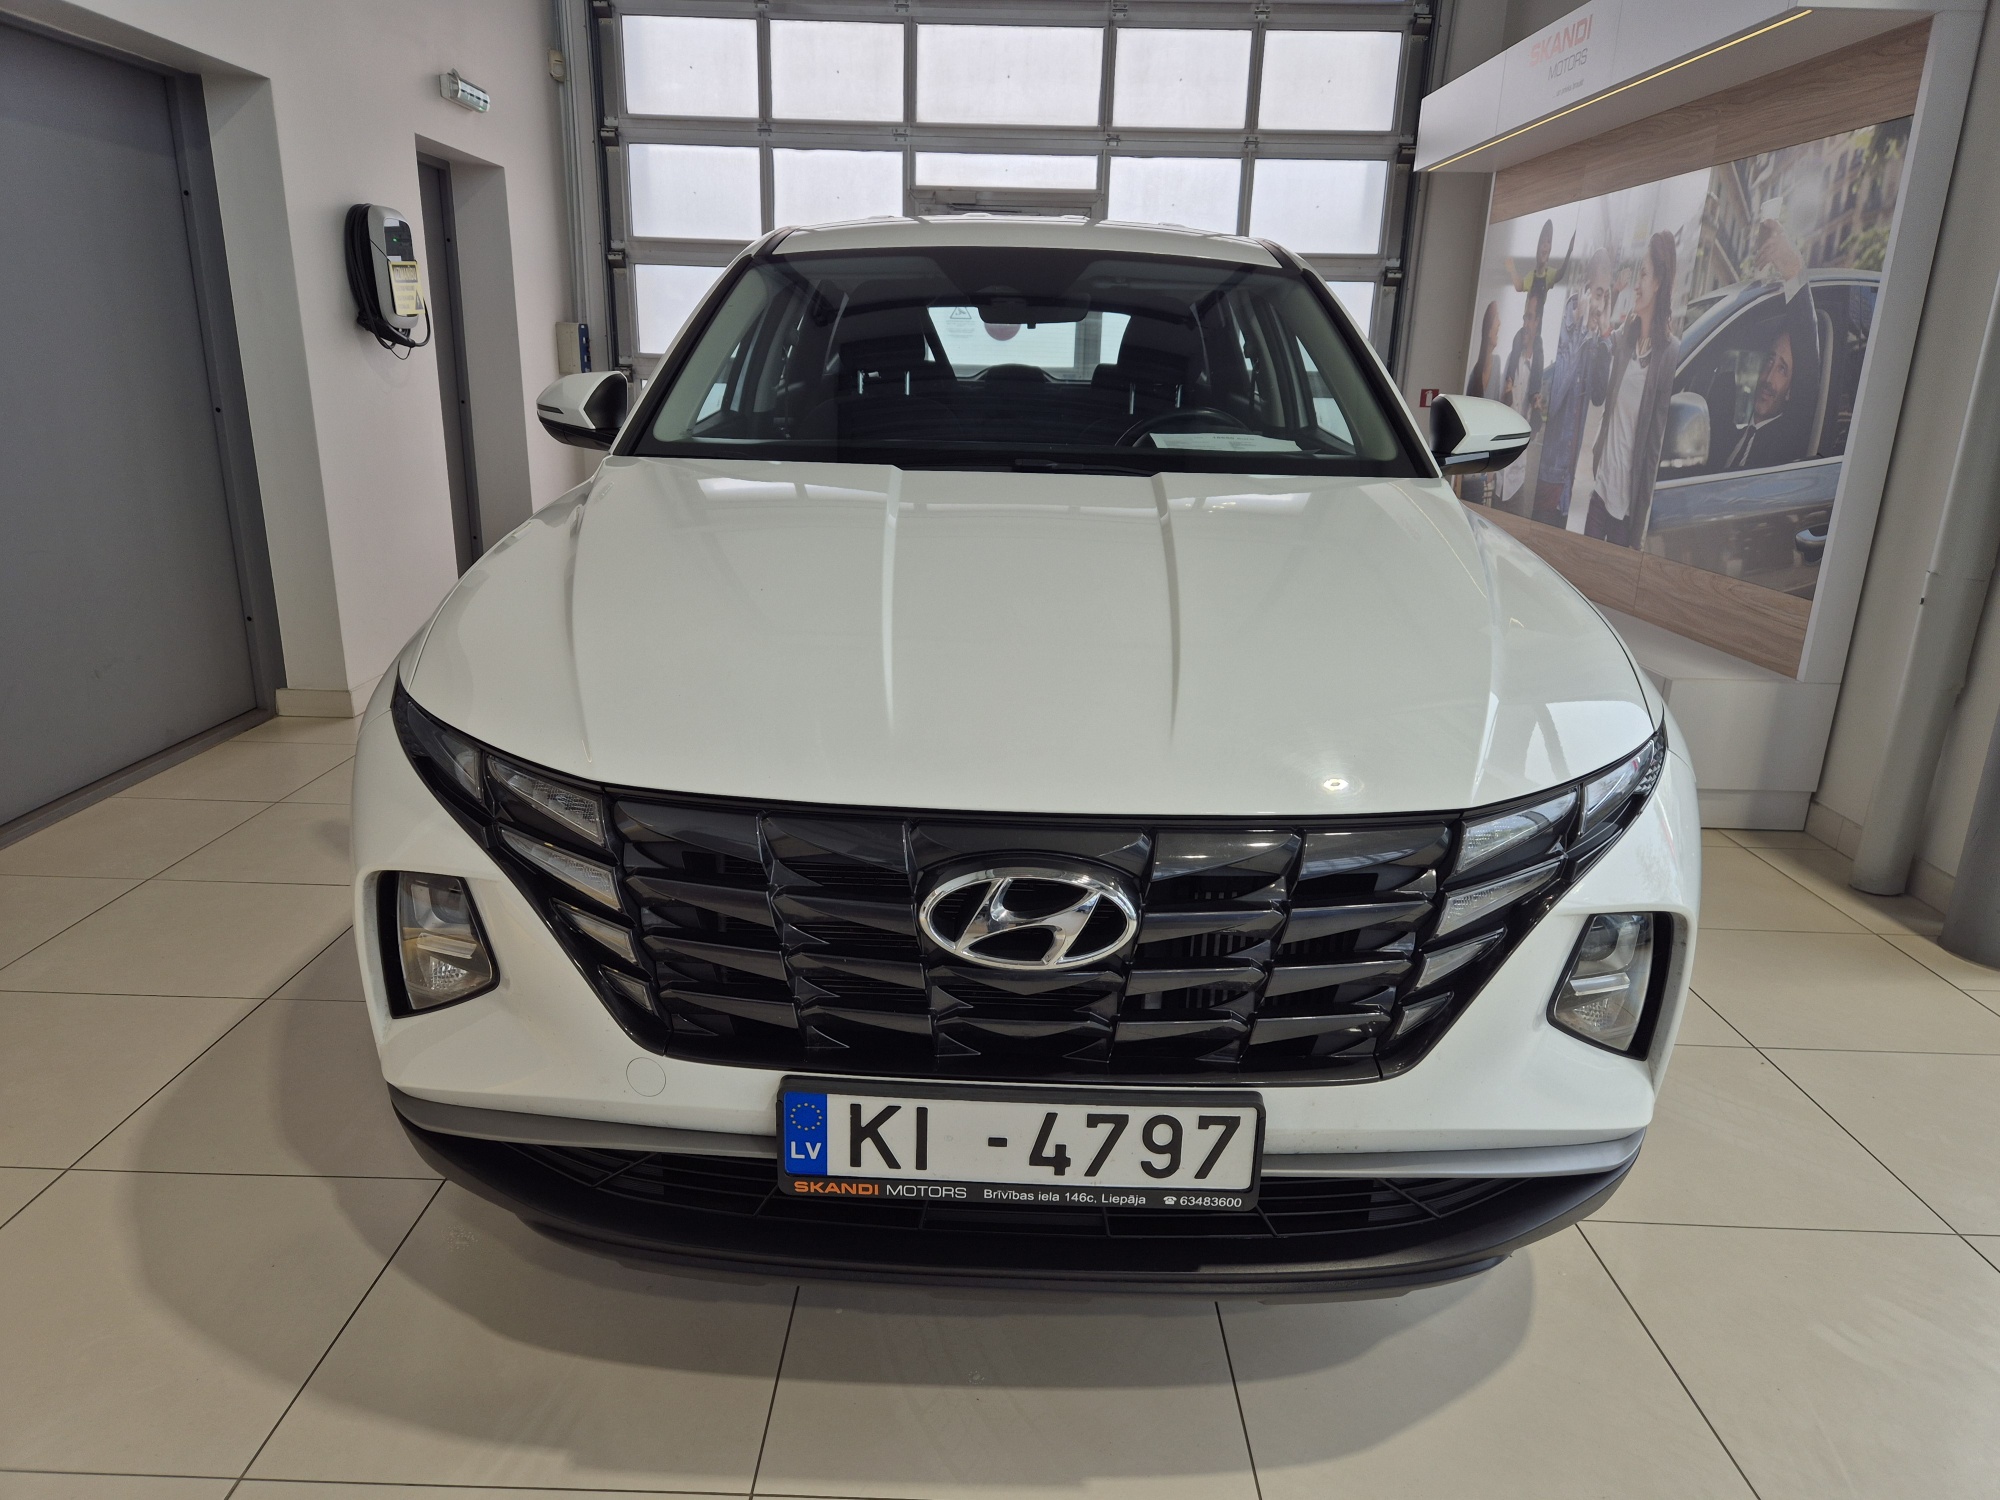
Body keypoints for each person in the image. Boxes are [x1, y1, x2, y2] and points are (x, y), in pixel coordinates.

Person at [1586, 230, 1680, 548]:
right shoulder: (1626, 336)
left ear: (1658, 282)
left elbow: (1653, 447)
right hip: (1601, 490)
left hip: (1625, 512)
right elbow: (1600, 386)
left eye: (1643, 274)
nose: (1637, 285)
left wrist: (1639, 525)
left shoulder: (1669, 354)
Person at [1711, 220, 1822, 472]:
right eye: (1770, 360)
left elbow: (1808, 368)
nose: (1769, 378)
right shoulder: (1727, 433)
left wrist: (1793, 270)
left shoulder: (1786, 445)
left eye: (1782, 369)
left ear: (1792, 391)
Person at [1532, 248, 1613, 527]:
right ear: (1585, 290)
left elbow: (1599, 396)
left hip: (1565, 487)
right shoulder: (1567, 328)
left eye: (1606, 297)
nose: (1600, 305)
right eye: (1598, 294)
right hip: (1546, 478)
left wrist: (1604, 336)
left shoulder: (1592, 338)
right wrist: (1579, 331)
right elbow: (1553, 403)